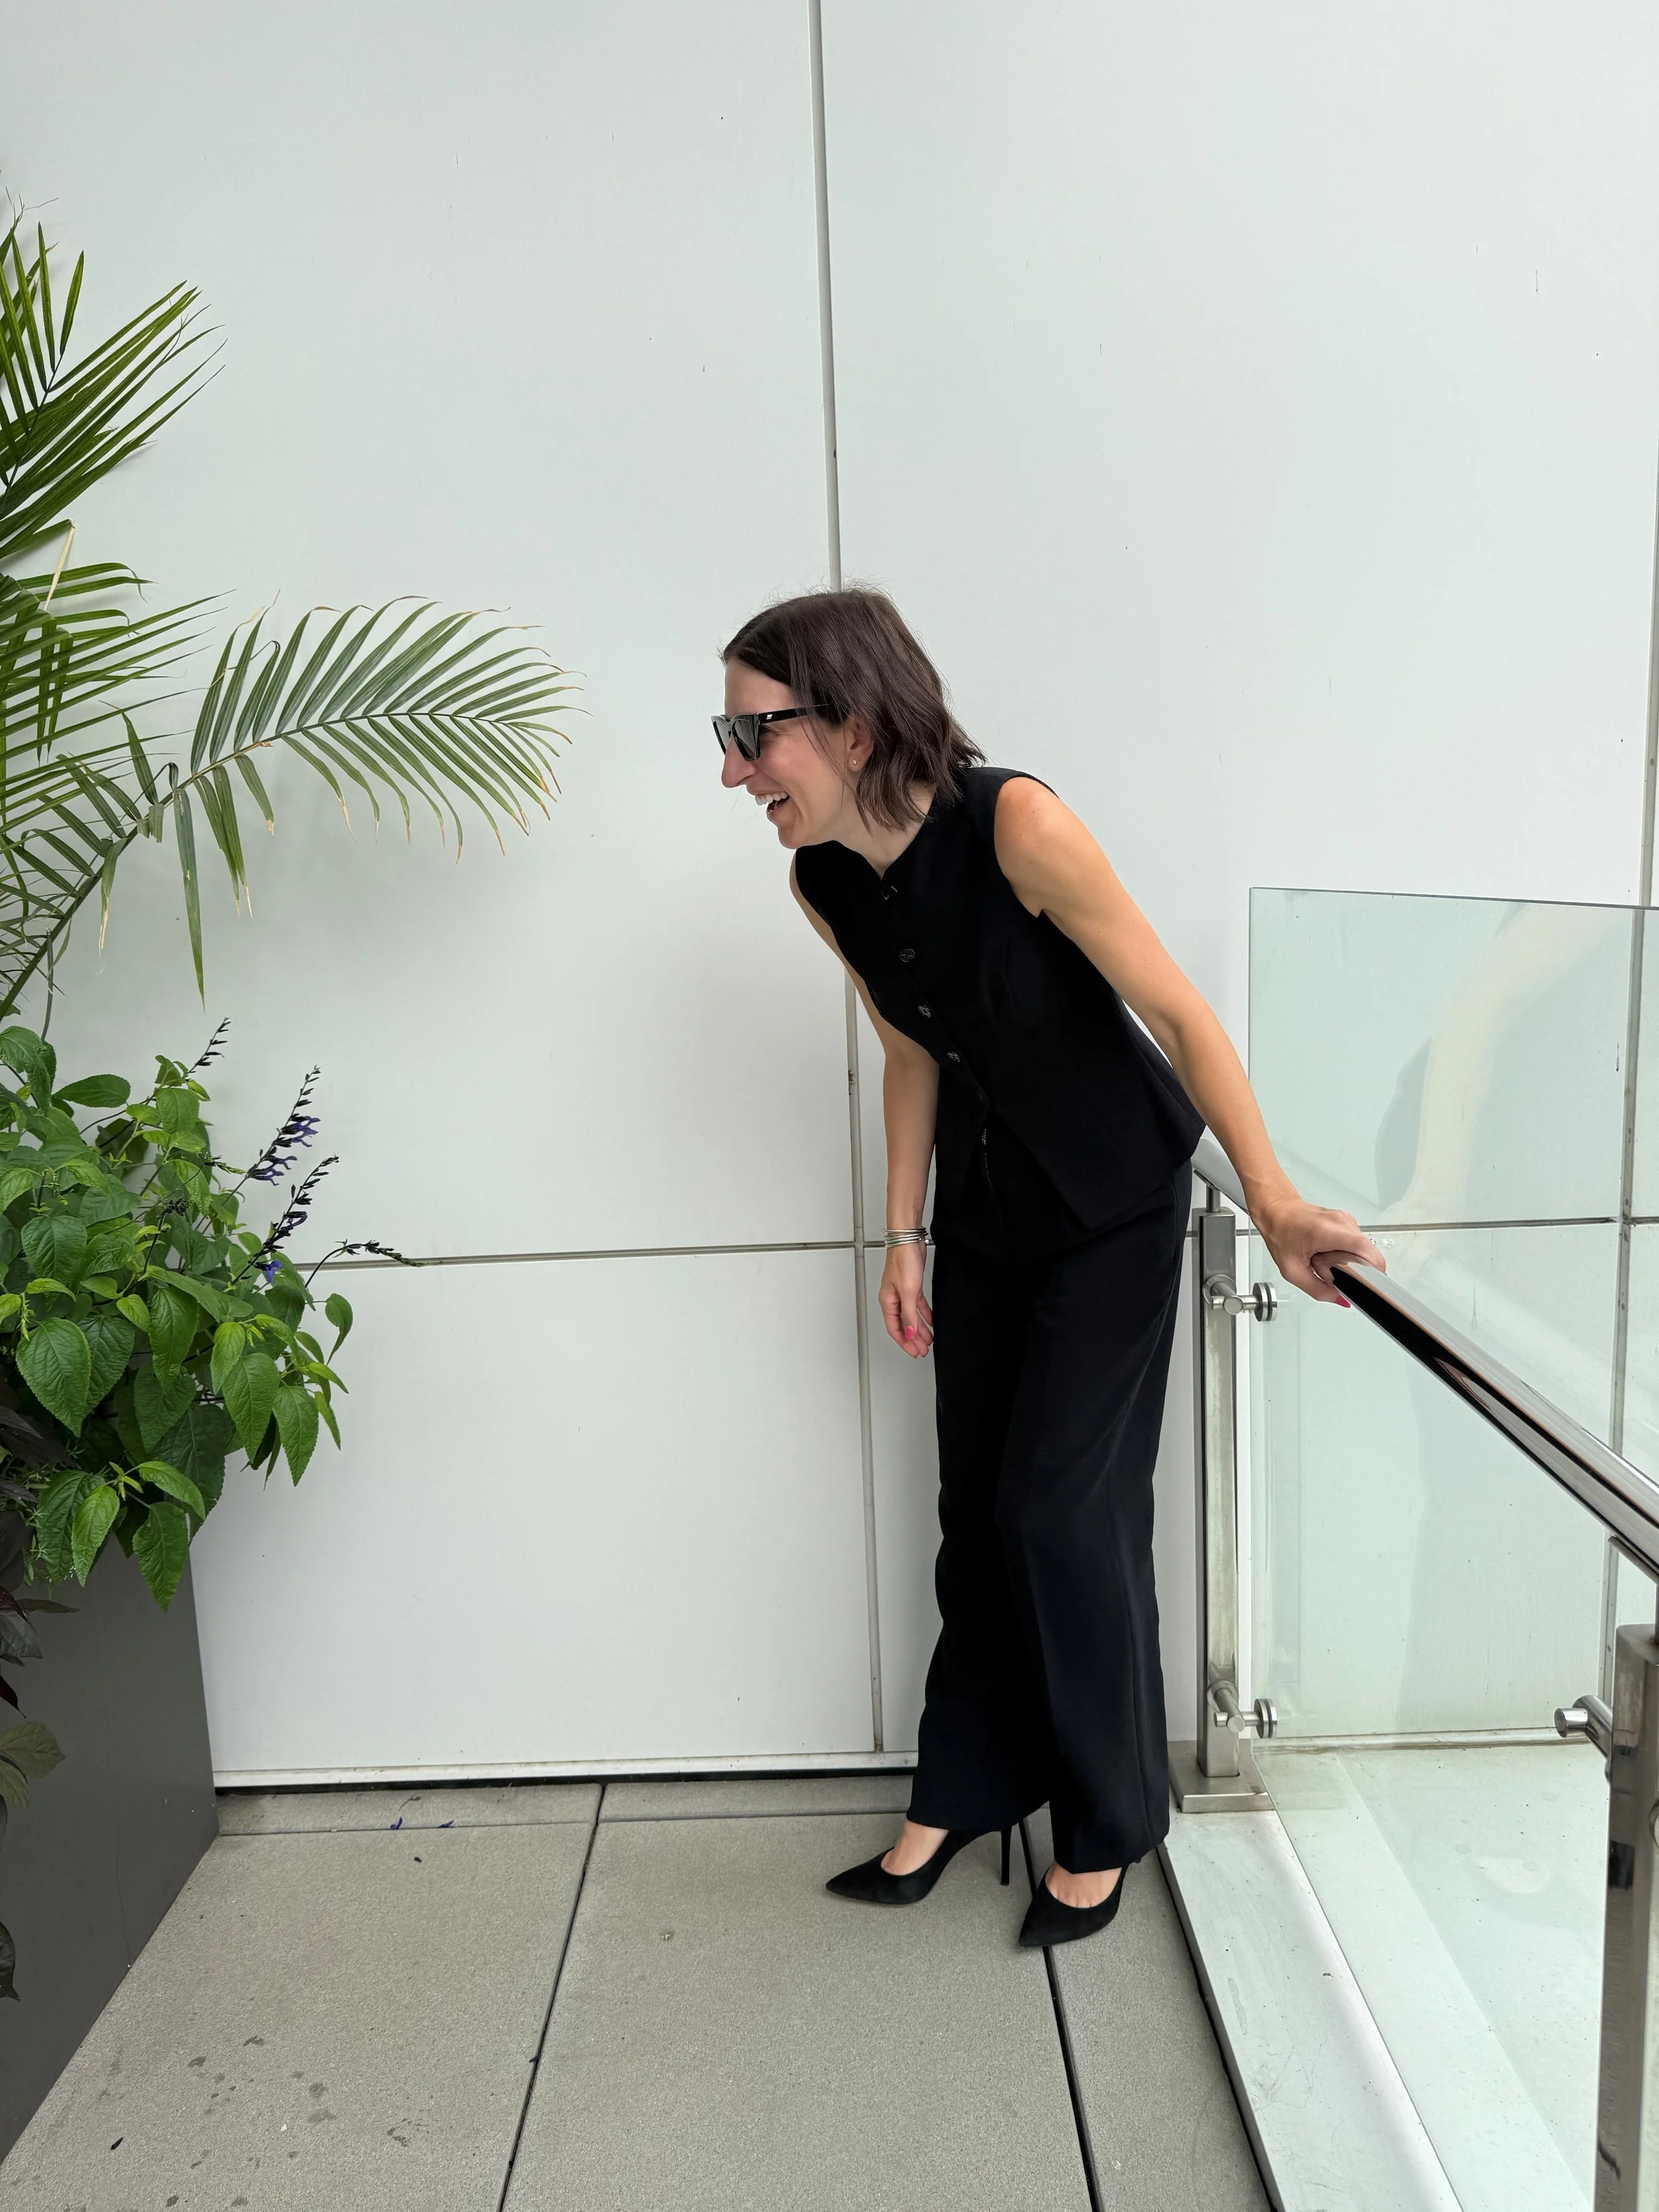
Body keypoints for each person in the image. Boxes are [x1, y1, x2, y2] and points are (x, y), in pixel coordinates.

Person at [715, 589, 1382, 1949]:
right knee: (976, 1512)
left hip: (1111, 1207)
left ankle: (1105, 1820)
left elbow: (1174, 1011)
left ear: (851, 726)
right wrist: (903, 1235)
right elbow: (910, 1048)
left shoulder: (1015, 823)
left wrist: (1270, 1199)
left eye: (751, 735)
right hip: (982, 1219)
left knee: (1063, 1517)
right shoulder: (822, 880)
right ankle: (964, 1788)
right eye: (724, 738)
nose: (733, 772)